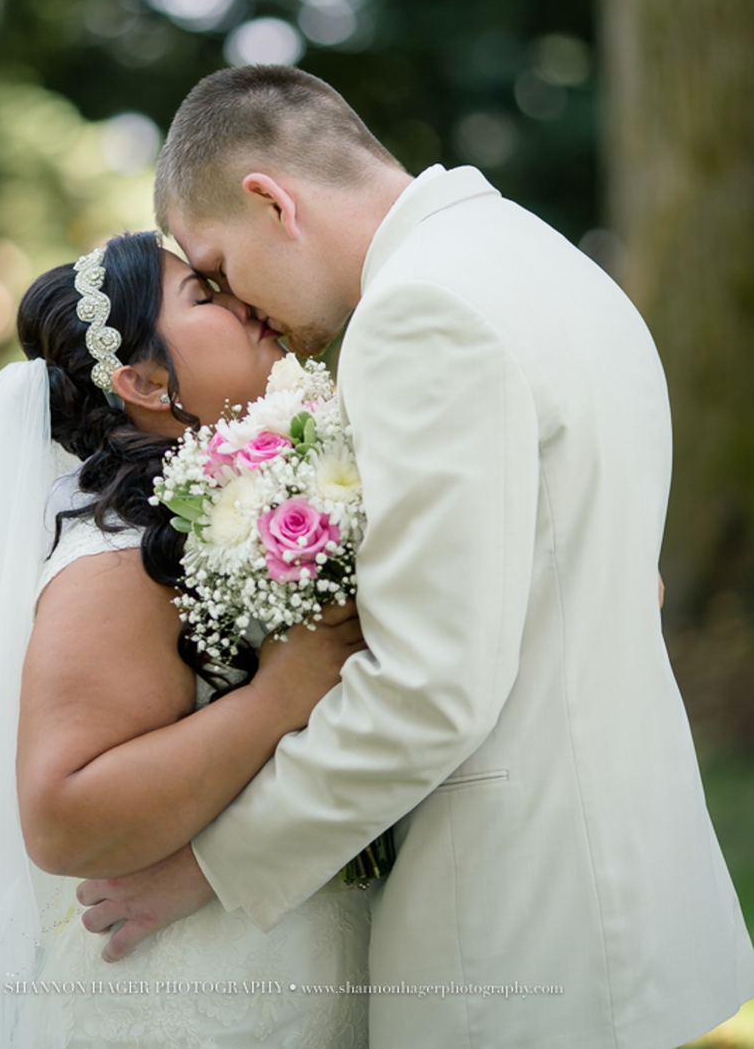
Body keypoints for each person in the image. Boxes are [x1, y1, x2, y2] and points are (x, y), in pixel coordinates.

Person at [76, 65, 754, 1049]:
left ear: (271, 200)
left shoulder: (417, 314)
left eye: (219, 268)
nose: (242, 308)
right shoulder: (539, 255)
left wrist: (210, 866)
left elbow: (429, 685)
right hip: (627, 878)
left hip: (519, 919)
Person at [0, 229, 370, 1049]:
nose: (244, 304)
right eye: (205, 297)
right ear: (143, 379)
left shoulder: (230, 507)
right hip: (193, 999)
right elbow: (62, 817)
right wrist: (279, 698)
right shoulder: (119, 556)